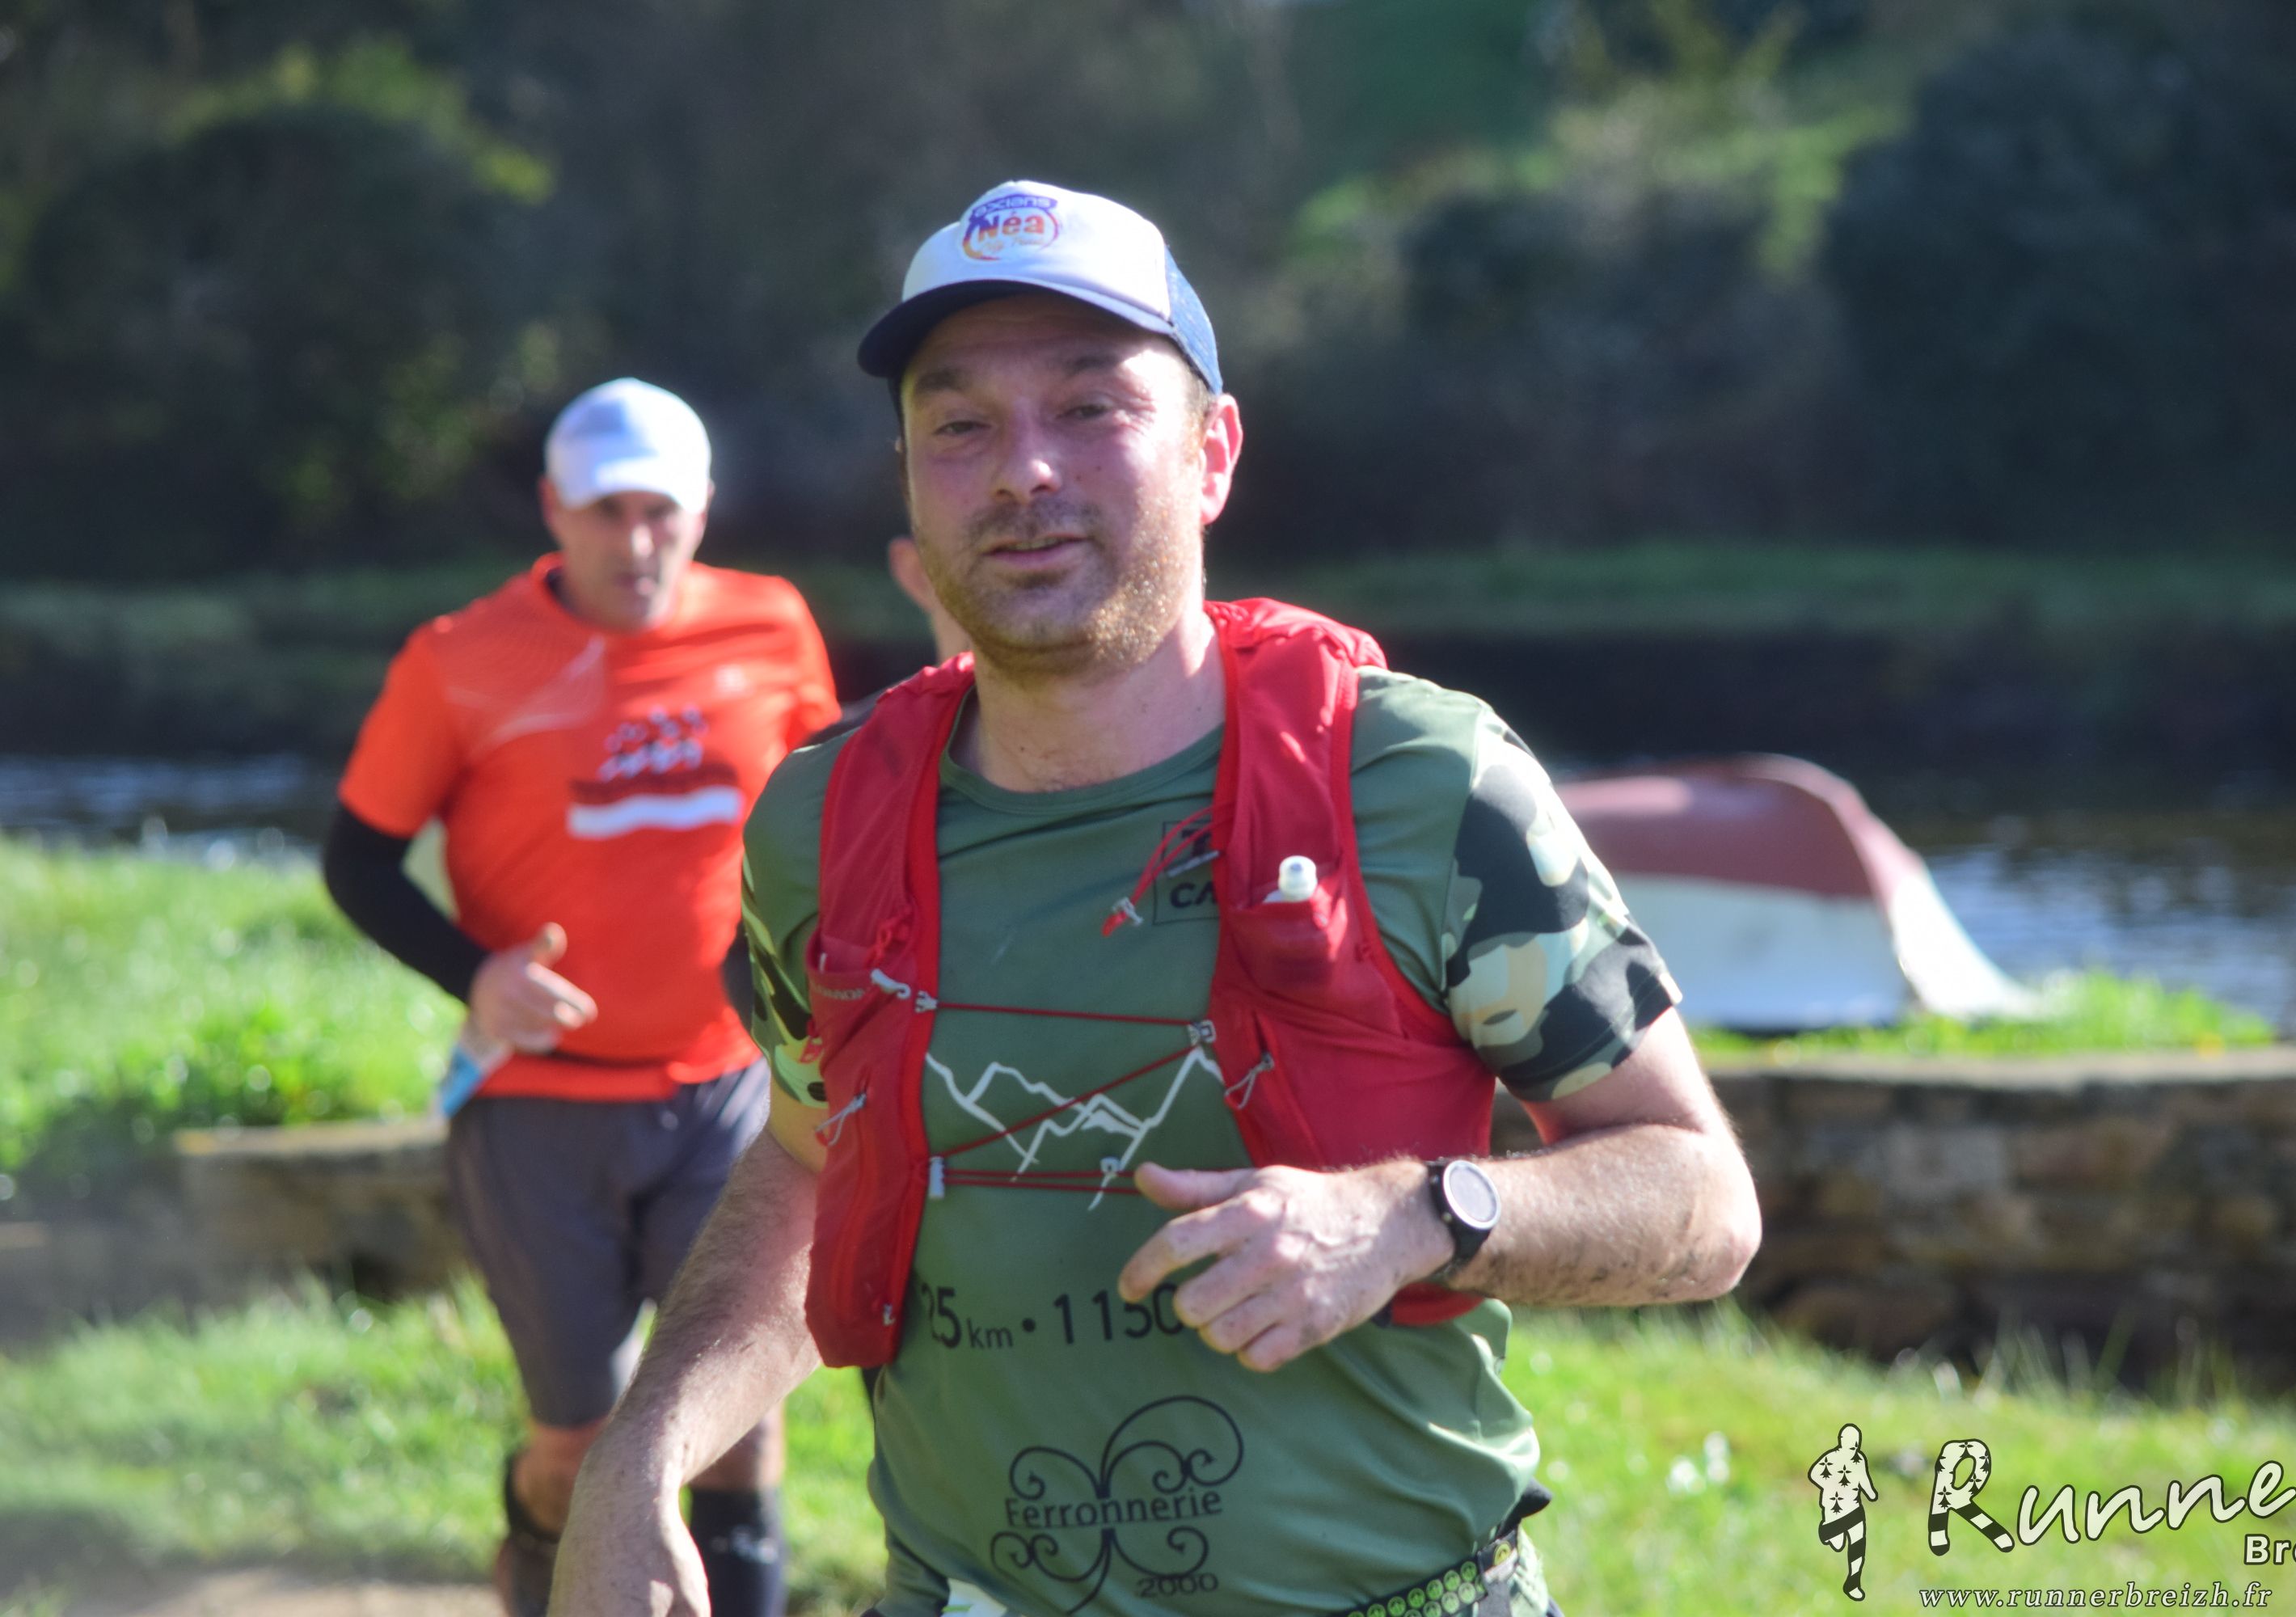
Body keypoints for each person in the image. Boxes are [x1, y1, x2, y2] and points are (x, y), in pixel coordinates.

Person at [553, 182, 1762, 1617]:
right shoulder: (824, 827)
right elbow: (816, 1161)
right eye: (960, 426)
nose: (1023, 471)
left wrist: (1415, 1215)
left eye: (1091, 409)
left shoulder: (1422, 783)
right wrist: (640, 1454)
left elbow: (1702, 1199)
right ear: (909, 481)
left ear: (1212, 452)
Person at [321, 377, 841, 1617]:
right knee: (579, 1446)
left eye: (661, 511)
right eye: (608, 511)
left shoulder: (770, 624)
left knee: (736, 1428)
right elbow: (356, 861)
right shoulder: (459, 660)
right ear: (556, 510)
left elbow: (834, 813)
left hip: (728, 1095)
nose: (636, 540)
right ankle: (538, 1563)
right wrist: (479, 976)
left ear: (701, 509)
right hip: (538, 1113)